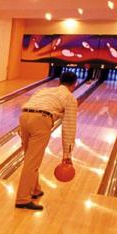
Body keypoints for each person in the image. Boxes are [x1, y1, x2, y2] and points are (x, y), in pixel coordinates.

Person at [15, 71, 78, 211]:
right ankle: (23, 199)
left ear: (59, 81)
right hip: (41, 120)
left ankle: (35, 189)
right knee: (32, 162)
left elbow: (32, 105)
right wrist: (67, 155)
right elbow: (69, 126)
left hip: (24, 117)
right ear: (74, 84)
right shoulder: (70, 98)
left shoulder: (44, 90)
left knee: (30, 158)